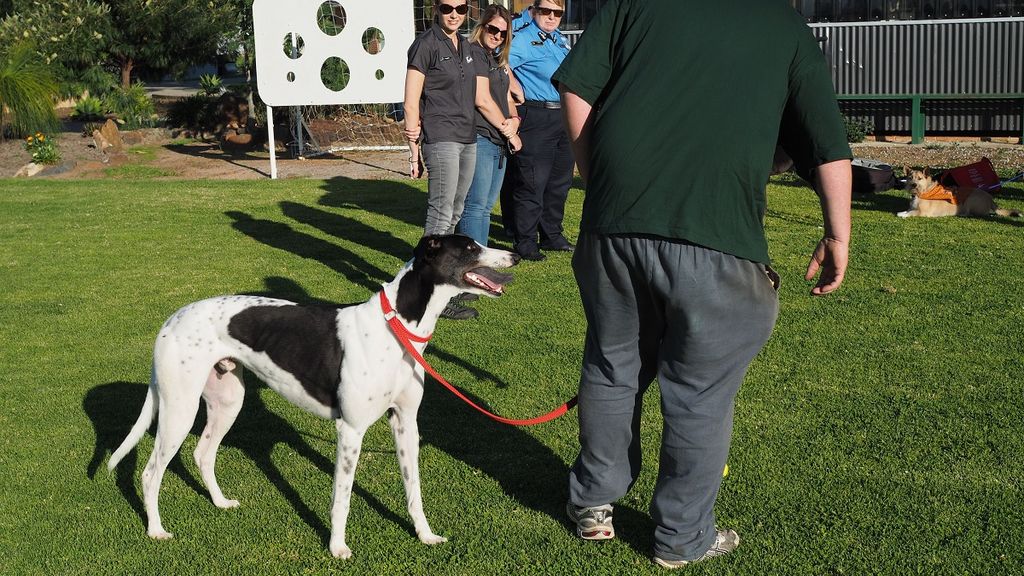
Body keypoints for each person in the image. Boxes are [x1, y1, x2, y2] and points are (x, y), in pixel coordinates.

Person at [553, 0, 852, 569]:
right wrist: (838, 234)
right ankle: (681, 538)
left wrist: (598, 181)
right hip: (717, 238)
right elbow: (827, 144)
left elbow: (576, 88)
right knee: (698, 394)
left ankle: (592, 504)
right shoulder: (781, 23)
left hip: (613, 227)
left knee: (613, 368)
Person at [404, 0, 479, 319]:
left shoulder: (465, 44)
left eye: (460, 8)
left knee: (456, 210)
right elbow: (410, 99)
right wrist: (413, 150)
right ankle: (422, 289)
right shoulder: (425, 45)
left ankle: (443, 284)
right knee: (440, 213)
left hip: (467, 137)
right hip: (441, 136)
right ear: (436, 8)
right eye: (447, 7)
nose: (454, 14)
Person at [506, 0, 575, 261]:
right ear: (534, 10)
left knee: (560, 181)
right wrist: (514, 87)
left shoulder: (558, 40)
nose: (551, 17)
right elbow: (499, 63)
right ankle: (525, 240)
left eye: (557, 13)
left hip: (562, 115)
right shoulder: (523, 39)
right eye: (545, 11)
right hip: (536, 114)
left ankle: (551, 234)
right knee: (533, 181)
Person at [457, 5, 523, 248]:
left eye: (504, 33)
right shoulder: (473, 53)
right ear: (482, 26)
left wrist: (515, 122)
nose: (497, 35)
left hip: (498, 139)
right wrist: (511, 133)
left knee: (485, 207)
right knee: (474, 207)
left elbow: (508, 97)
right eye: (493, 29)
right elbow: (482, 100)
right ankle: (470, 265)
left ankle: (477, 262)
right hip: (481, 136)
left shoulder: (496, 58)